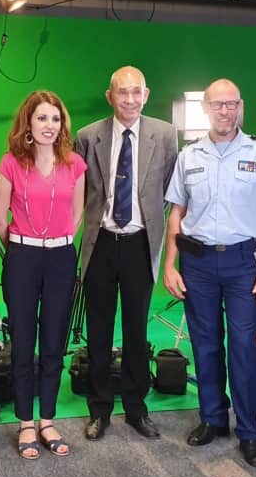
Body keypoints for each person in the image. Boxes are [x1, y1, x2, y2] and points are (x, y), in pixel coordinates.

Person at [163, 79, 256, 468]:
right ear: (206, 109)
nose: (225, 111)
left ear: (241, 107)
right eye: (217, 105)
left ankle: (250, 431)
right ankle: (213, 418)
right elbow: (176, 214)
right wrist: (170, 263)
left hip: (243, 263)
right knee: (205, 343)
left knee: (243, 346)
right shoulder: (189, 156)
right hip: (197, 263)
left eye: (231, 104)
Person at [74, 66, 178, 441]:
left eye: (136, 92)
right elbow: (82, 190)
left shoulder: (165, 135)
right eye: (122, 92)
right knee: (98, 330)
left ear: (146, 95)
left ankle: (136, 407)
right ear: (110, 96)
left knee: (136, 330)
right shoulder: (87, 137)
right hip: (100, 242)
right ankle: (99, 409)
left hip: (139, 243)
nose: (129, 99)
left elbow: (167, 186)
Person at [0, 91, 86, 460]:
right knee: (23, 341)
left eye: (56, 119)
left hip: (61, 258)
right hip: (22, 257)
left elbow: (78, 215)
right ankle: (25, 422)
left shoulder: (75, 164)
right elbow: (0, 219)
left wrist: (57, 243)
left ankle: (47, 418)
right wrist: (23, 247)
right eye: (42, 118)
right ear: (28, 124)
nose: (50, 126)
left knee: (53, 341)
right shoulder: (11, 163)